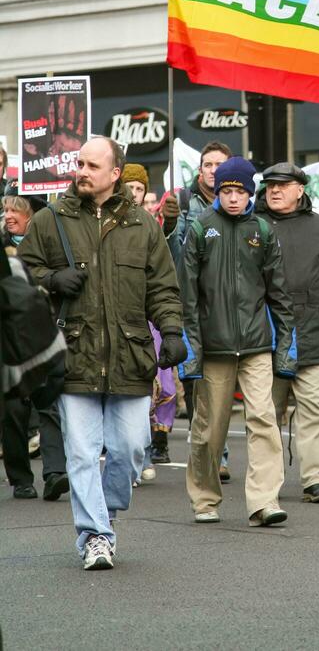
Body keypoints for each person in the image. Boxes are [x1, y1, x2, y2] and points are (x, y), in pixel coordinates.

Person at [18, 136, 185, 570]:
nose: (82, 171)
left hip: (130, 355)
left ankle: (105, 512)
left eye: (93, 165)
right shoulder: (50, 219)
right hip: (73, 355)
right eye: (80, 163)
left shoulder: (142, 225)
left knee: (131, 448)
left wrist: (171, 331)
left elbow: (163, 287)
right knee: (81, 452)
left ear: (116, 174)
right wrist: (52, 280)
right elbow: (19, 276)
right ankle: (95, 535)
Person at [181, 157, 294, 527]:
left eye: (240, 191)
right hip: (214, 346)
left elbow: (279, 292)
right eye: (226, 190)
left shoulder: (262, 229)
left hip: (256, 344)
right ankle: (205, 499)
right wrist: (191, 352)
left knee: (263, 418)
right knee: (210, 427)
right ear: (217, 191)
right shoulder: (199, 228)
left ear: (250, 192)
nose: (233, 198)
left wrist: (286, 346)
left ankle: (264, 501)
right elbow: (188, 297)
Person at [257, 162, 319, 503]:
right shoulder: (251, 224)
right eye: (270, 184)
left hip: (311, 327)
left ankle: (315, 481)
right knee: (267, 411)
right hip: (266, 330)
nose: (275, 190)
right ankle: (266, 484)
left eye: (283, 185)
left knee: (316, 408)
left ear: (300, 190)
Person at [169, 140, 232, 478]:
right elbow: (172, 255)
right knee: (196, 383)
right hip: (191, 307)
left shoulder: (242, 206)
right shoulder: (183, 204)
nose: (213, 170)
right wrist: (168, 225)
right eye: (208, 165)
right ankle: (208, 452)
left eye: (220, 164)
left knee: (221, 382)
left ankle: (217, 452)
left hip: (228, 308)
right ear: (200, 170)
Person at [1, 189, 69, 502]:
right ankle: (20, 478)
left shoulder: (51, 243)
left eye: (16, 210)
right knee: (14, 409)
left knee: (49, 401)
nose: (9, 216)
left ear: (32, 218)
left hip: (45, 332)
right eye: (6, 211)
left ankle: (55, 472)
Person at [121, 164, 178, 480]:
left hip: (151, 316)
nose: (133, 193)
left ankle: (158, 438)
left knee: (162, 382)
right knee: (131, 386)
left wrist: (170, 223)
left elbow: (168, 261)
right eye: (128, 186)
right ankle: (133, 454)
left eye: (139, 188)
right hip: (121, 314)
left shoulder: (153, 224)